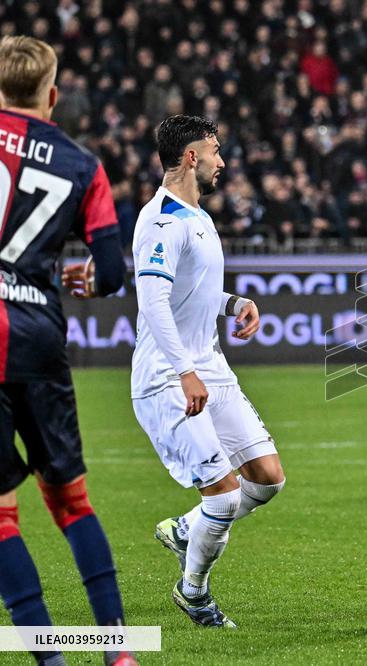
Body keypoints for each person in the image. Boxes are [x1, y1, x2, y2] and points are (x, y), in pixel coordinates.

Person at [0, 36, 136, 666]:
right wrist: (83, 279)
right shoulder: (82, 164)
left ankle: (49, 657)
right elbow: (110, 272)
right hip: (37, 333)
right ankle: (117, 650)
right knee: (70, 500)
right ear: (52, 95)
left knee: (2, 517)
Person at [131, 115, 286, 628]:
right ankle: (193, 592)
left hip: (210, 368)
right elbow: (153, 301)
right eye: (215, 151)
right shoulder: (161, 221)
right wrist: (183, 371)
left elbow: (190, 290)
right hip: (168, 377)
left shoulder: (197, 215)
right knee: (222, 494)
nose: (222, 161)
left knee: (267, 478)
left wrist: (233, 303)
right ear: (191, 156)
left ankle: (186, 530)